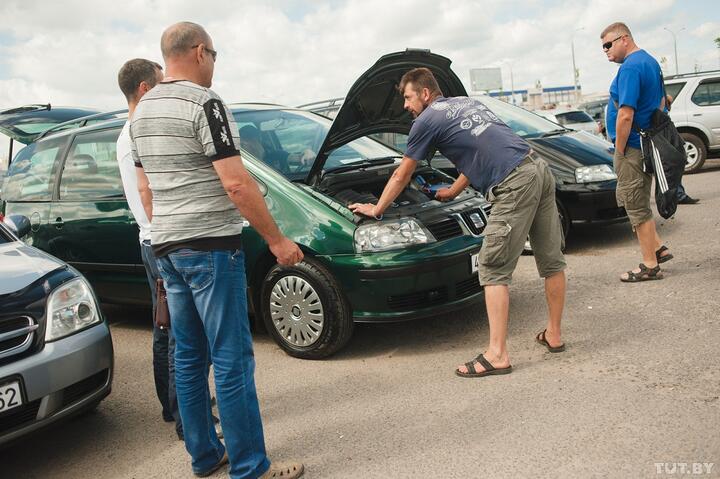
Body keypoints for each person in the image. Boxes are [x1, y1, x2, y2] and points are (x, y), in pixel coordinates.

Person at [130, 22, 304, 479]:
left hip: (167, 246)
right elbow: (234, 182)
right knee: (231, 358)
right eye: (214, 56)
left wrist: (166, 228)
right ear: (201, 52)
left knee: (188, 356)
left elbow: (146, 189)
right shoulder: (205, 103)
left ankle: (205, 456)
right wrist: (277, 240)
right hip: (209, 246)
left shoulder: (140, 111)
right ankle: (251, 467)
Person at [349, 68, 568, 378]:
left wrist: (377, 209)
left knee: (492, 267)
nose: (405, 106)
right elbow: (483, 149)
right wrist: (453, 190)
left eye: (408, 97)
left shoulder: (426, 119)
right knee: (551, 261)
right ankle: (554, 335)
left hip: (515, 182)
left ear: (425, 93)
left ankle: (497, 354)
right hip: (537, 169)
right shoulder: (467, 104)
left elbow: (402, 173)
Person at [116, 58, 182, 433]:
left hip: (150, 241)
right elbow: (150, 193)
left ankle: (172, 406)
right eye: (161, 83)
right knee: (177, 333)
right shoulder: (137, 134)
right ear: (145, 89)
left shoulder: (128, 132)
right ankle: (183, 412)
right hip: (161, 242)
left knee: (164, 329)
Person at [602, 22, 674, 282]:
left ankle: (650, 265)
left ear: (624, 39)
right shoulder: (649, 61)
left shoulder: (631, 67)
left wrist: (620, 150)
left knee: (635, 203)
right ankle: (657, 248)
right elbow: (663, 102)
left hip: (632, 146)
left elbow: (625, 115)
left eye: (609, 44)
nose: (606, 51)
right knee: (633, 199)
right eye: (603, 47)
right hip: (644, 142)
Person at [664, 94, 700, 205]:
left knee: (676, 161)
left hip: (667, 128)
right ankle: (676, 195)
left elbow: (669, 98)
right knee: (670, 164)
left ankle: (678, 194)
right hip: (660, 131)